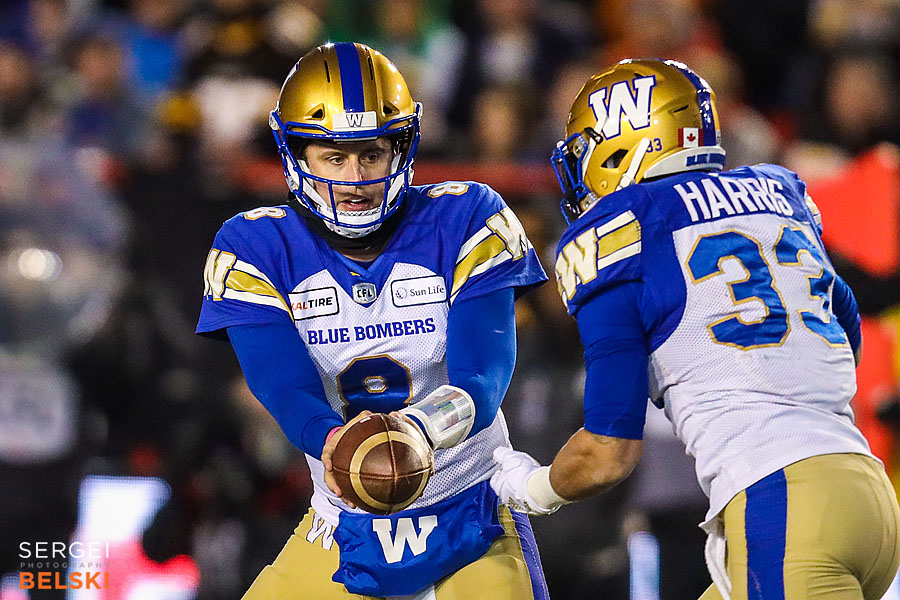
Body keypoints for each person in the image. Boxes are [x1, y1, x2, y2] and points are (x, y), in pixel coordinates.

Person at [490, 58, 900, 600]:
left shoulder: (619, 235)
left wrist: (527, 487)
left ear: (624, 147)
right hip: (864, 494)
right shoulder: (774, 192)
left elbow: (608, 453)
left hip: (779, 503)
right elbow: (845, 322)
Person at [196, 42, 549, 600]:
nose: (354, 177)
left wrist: (417, 433)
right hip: (341, 523)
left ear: (401, 149)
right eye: (333, 158)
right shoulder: (256, 244)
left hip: (469, 509)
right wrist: (341, 445)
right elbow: (284, 389)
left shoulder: (464, 215)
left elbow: (482, 376)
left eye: (371, 154)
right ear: (297, 156)